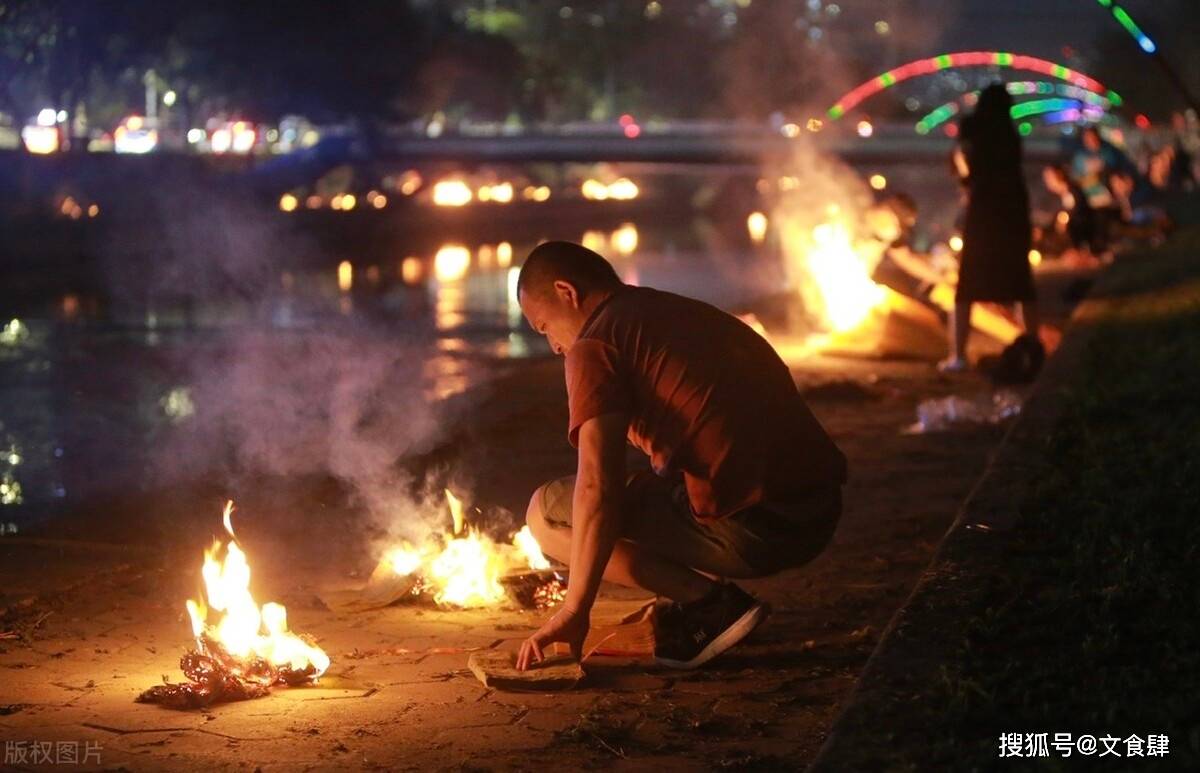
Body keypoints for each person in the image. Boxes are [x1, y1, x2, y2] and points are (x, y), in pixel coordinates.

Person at [514, 241, 846, 670]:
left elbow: (598, 485)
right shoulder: (670, 310)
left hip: (760, 529)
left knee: (547, 513)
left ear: (567, 292)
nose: (554, 347)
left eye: (544, 328)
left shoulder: (594, 343)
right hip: (818, 510)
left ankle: (710, 604)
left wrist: (575, 612)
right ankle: (702, 591)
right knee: (654, 483)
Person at [940, 83, 1041, 373]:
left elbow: (962, 159)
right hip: (1013, 210)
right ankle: (1032, 343)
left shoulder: (972, 127)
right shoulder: (1010, 133)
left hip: (983, 209)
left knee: (969, 282)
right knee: (1020, 279)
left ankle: (957, 356)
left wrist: (965, 183)